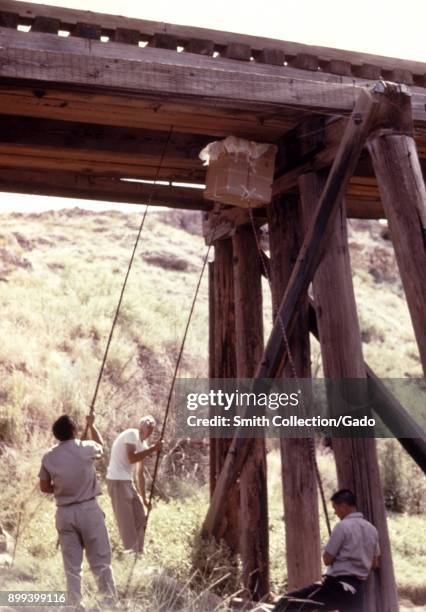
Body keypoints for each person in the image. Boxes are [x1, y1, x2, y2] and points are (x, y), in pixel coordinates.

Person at [39, 413, 117, 609]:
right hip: (88, 509)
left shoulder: (49, 456)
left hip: (64, 513)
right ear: (74, 430)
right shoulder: (86, 448)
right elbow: (101, 447)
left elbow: (44, 486)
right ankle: (108, 602)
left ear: (56, 434)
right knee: (100, 560)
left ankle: (74, 605)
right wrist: (91, 426)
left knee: (72, 566)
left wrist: (61, 489)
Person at [273, 489, 380, 612]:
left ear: (344, 506)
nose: (335, 513)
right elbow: (375, 563)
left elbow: (327, 559)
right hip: (357, 591)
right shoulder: (372, 529)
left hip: (336, 587)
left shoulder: (343, 526)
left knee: (287, 601)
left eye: (335, 508)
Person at [106, 416, 162, 553]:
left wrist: (144, 498)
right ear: (140, 426)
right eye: (146, 424)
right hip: (117, 480)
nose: (148, 427)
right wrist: (154, 449)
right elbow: (132, 457)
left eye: (151, 426)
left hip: (127, 482)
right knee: (126, 521)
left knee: (140, 517)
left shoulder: (143, 445)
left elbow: (140, 474)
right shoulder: (132, 434)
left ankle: (139, 551)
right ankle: (131, 552)